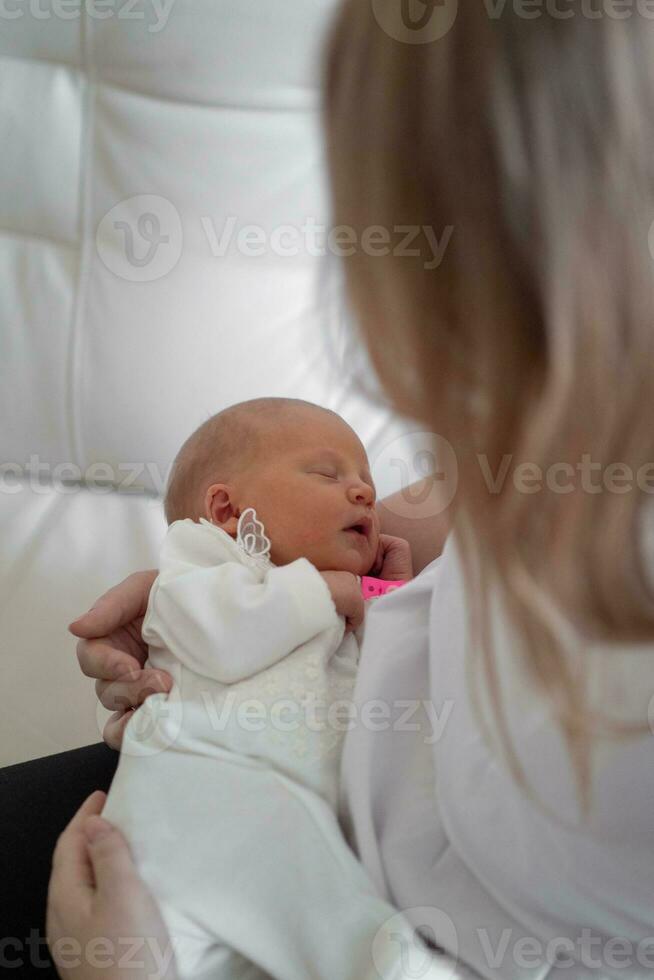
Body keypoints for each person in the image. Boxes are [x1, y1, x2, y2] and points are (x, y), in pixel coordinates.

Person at [3, 0, 653, 977]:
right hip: (246, 784)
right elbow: (455, 511)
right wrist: (230, 584)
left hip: (346, 898)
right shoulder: (560, 432)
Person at [100, 397, 435, 980]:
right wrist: (328, 591)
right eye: (328, 474)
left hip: (302, 804)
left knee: (287, 923)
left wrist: (392, 609)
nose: (363, 494)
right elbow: (217, 636)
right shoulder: (203, 567)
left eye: (367, 481)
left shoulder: (327, 599)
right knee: (321, 917)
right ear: (228, 510)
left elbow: (384, 695)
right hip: (211, 774)